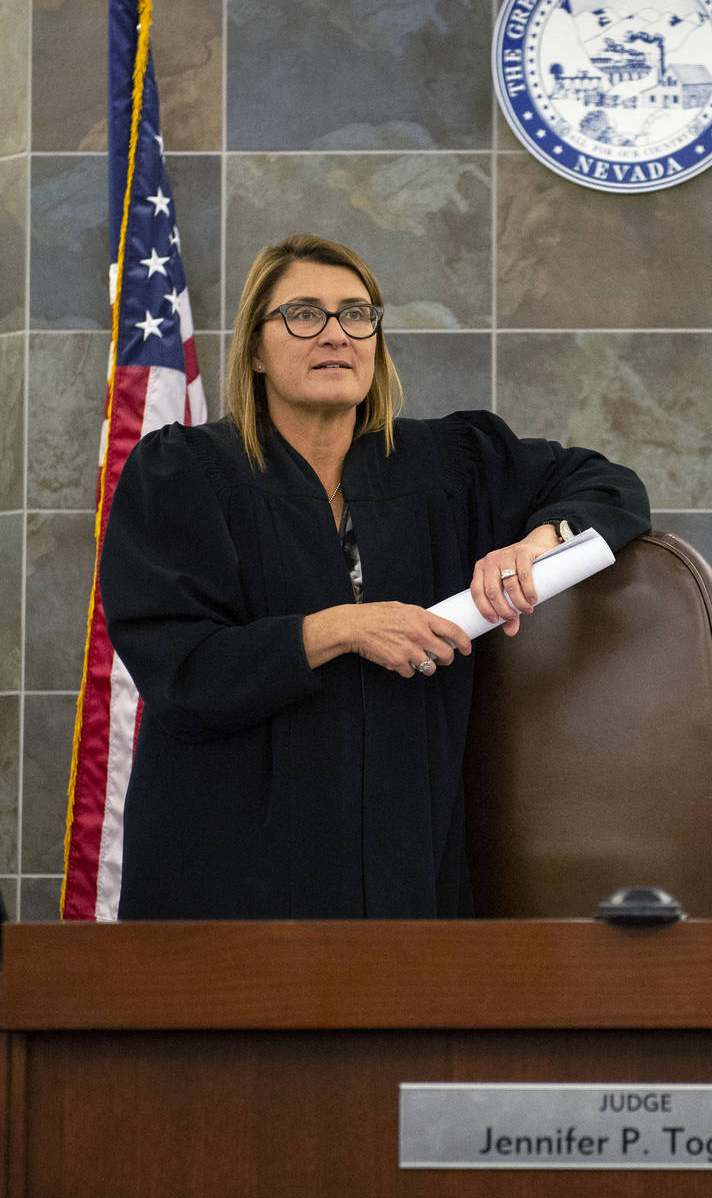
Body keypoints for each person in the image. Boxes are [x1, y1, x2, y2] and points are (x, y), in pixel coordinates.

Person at [99, 234, 650, 920]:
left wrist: (538, 541)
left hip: (404, 863)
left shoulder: (449, 464)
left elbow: (610, 486)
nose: (335, 334)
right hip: (231, 870)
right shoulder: (185, 475)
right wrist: (339, 629)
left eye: (356, 315)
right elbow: (180, 670)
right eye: (303, 314)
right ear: (254, 351)